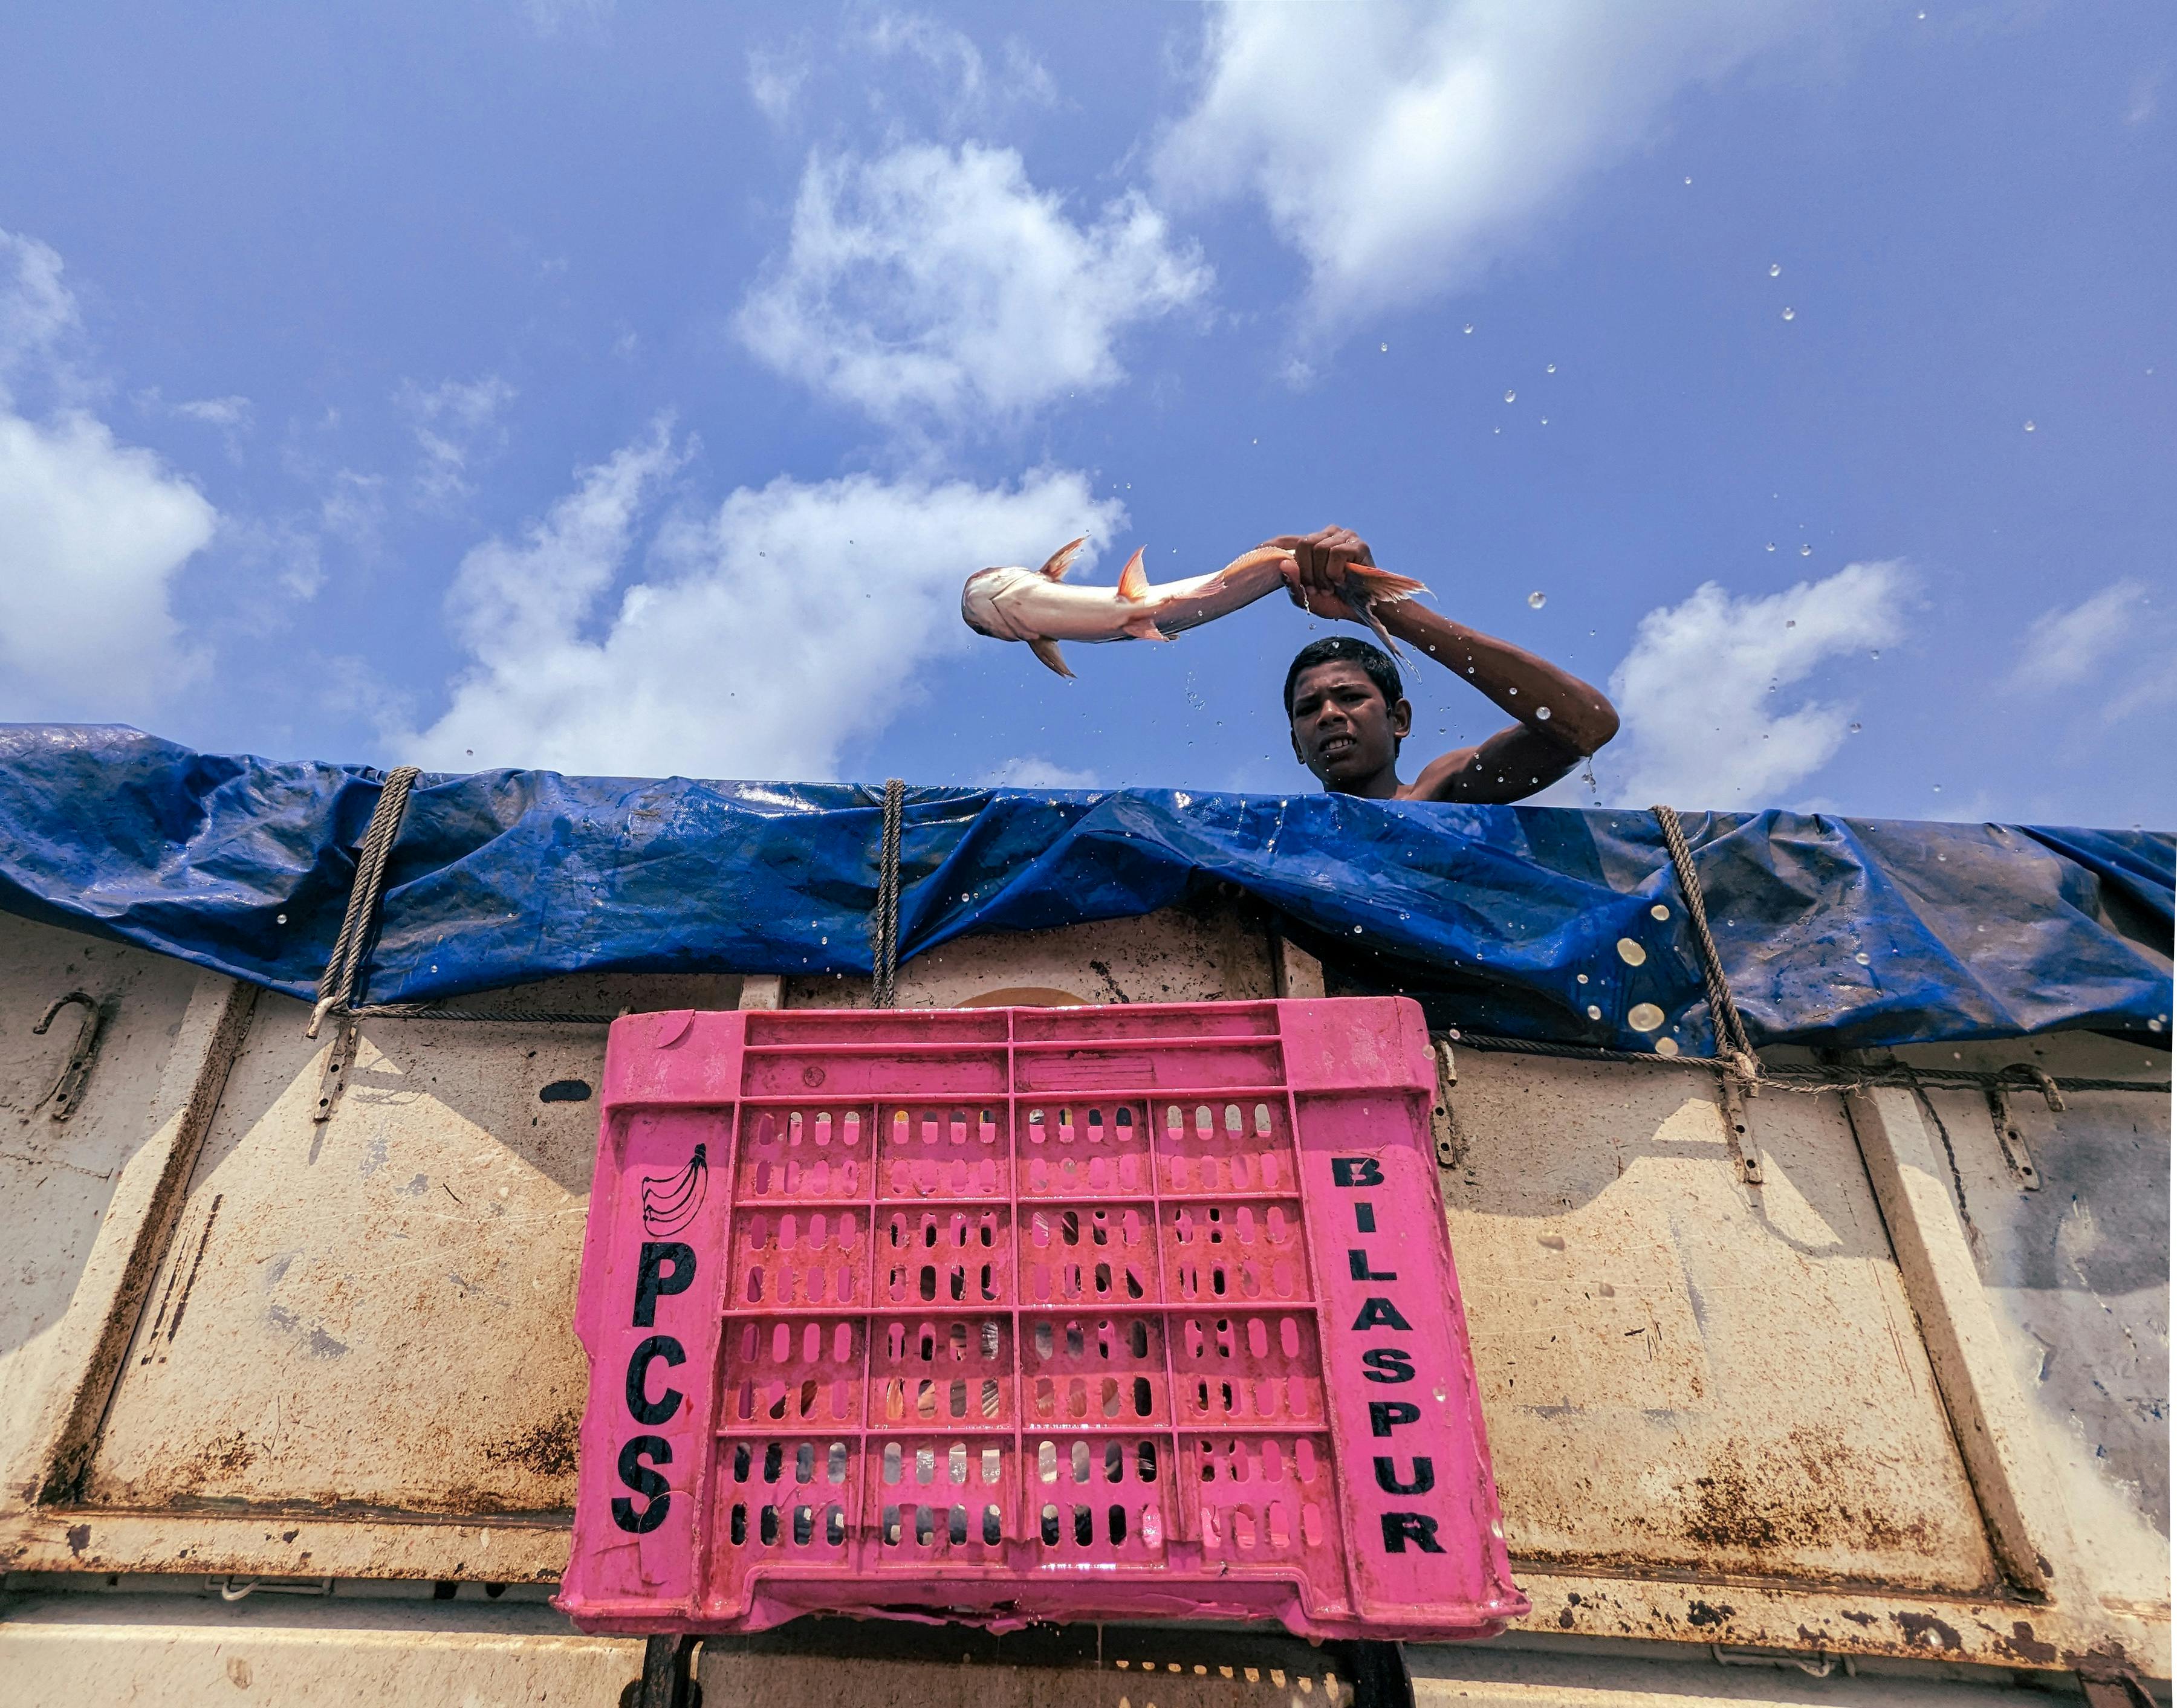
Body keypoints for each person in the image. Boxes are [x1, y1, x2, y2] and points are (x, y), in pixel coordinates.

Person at [1271, 525, 1619, 802]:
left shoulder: (1440, 795)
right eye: (1308, 709)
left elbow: (1589, 723)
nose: (1329, 714)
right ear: (1296, 747)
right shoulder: (1270, 842)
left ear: (1400, 719)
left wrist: (1385, 608)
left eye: (1350, 697)